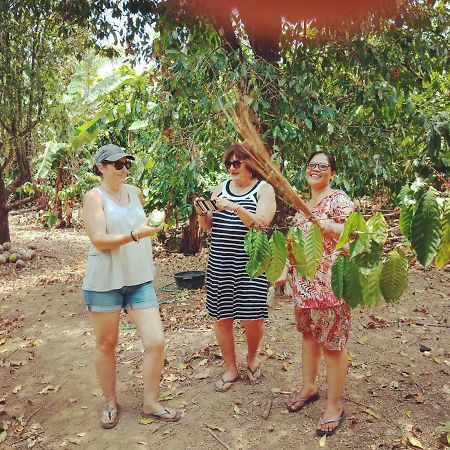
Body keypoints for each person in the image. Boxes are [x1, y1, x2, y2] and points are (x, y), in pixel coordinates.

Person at [82, 143, 181, 429]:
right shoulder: (94, 197)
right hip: (105, 282)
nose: (124, 168)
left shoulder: (136, 192)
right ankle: (111, 402)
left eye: (127, 163)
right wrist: (137, 235)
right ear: (101, 167)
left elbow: (144, 223)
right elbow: (99, 240)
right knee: (106, 344)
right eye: (117, 164)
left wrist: (152, 227)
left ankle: (150, 401)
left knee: (156, 341)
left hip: (139, 279)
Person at [276, 151, 354, 437]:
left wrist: (329, 225)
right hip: (304, 287)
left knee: (332, 345)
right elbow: (294, 243)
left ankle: (334, 405)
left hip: (331, 287)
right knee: (308, 336)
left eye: (322, 166)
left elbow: (353, 234)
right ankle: (309, 387)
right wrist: (285, 269)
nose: (316, 169)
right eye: (311, 165)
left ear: (332, 172)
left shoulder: (339, 200)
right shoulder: (302, 206)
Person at [194, 143, 276, 392]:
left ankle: (251, 356)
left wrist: (237, 207)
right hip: (220, 262)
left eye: (236, 163)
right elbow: (208, 227)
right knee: (222, 317)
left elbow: (261, 223)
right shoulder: (220, 189)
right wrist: (201, 213)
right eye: (228, 164)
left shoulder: (264, 190)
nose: (231, 168)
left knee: (252, 317)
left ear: (250, 164)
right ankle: (230, 367)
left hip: (251, 264)